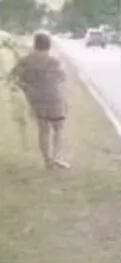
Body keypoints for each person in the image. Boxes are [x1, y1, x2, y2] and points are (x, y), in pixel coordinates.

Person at [11, 32, 69, 169]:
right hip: (54, 98)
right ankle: (56, 157)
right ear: (48, 44)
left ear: (35, 44)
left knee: (43, 130)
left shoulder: (26, 61)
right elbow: (62, 77)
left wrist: (26, 87)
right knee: (58, 128)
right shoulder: (54, 60)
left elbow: (14, 77)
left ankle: (47, 160)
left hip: (36, 99)